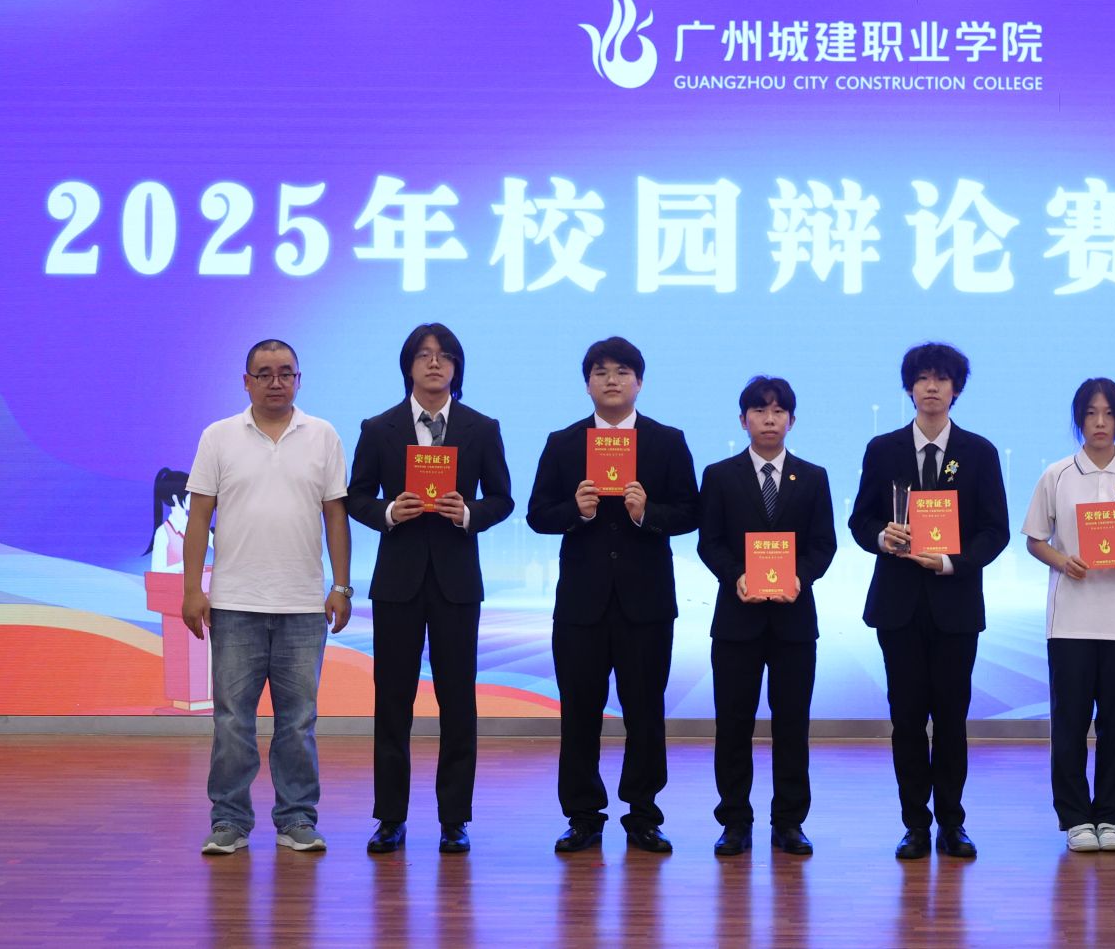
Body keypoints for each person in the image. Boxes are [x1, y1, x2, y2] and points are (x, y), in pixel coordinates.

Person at [525, 337, 699, 854]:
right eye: (600, 372)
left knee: (645, 712)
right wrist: (575, 512)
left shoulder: (666, 441)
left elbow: (691, 512)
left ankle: (643, 814)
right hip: (581, 605)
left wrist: (648, 514)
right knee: (579, 712)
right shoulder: (564, 442)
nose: (612, 380)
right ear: (587, 384)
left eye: (622, 371)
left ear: (639, 382)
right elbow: (537, 514)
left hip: (646, 604)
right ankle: (583, 816)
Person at [347, 323, 515, 856]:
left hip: (456, 583)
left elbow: (503, 499)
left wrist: (468, 513)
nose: (434, 363)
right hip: (397, 583)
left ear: (457, 367)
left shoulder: (481, 427)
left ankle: (454, 818)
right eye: (423, 355)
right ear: (408, 367)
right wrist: (387, 512)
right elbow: (356, 496)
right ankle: (390, 818)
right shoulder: (379, 428)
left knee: (458, 701)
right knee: (392, 701)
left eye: (444, 356)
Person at [181, 339, 352, 857]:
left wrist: (340, 586)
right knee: (233, 720)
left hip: (303, 605)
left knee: (297, 722)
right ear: (246, 381)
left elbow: (336, 516)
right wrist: (193, 589)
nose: (276, 382)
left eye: (285, 373)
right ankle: (229, 821)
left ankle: (297, 818)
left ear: (298, 379)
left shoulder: (322, 435)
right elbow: (199, 517)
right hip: (235, 603)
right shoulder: (218, 436)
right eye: (265, 373)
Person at [848, 341, 1009, 860]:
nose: (932, 387)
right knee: (907, 720)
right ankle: (915, 824)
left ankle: (952, 824)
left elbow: (995, 531)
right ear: (910, 387)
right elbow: (859, 520)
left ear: (956, 388)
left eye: (941, 378)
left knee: (952, 721)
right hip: (898, 607)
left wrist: (951, 561)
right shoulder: (883, 449)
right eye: (922, 378)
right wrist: (882, 536)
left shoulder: (979, 452)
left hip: (955, 606)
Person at [1021, 378, 1115, 854]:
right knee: (1069, 724)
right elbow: (1035, 539)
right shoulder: (1058, 475)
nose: (1100, 422)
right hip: (1071, 622)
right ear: (1079, 419)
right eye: (1090, 413)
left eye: (1108, 414)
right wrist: (1063, 561)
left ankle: (1110, 816)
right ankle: (1074, 818)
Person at [696, 375, 839, 858]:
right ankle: (735, 821)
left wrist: (800, 577)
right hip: (737, 620)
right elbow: (710, 542)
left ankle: (790, 822)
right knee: (733, 724)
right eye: (759, 410)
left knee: (792, 724)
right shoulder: (720, 475)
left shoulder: (813, 476)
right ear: (743, 420)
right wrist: (736, 576)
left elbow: (824, 544)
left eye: (778, 411)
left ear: (792, 420)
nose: (769, 419)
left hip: (794, 620)